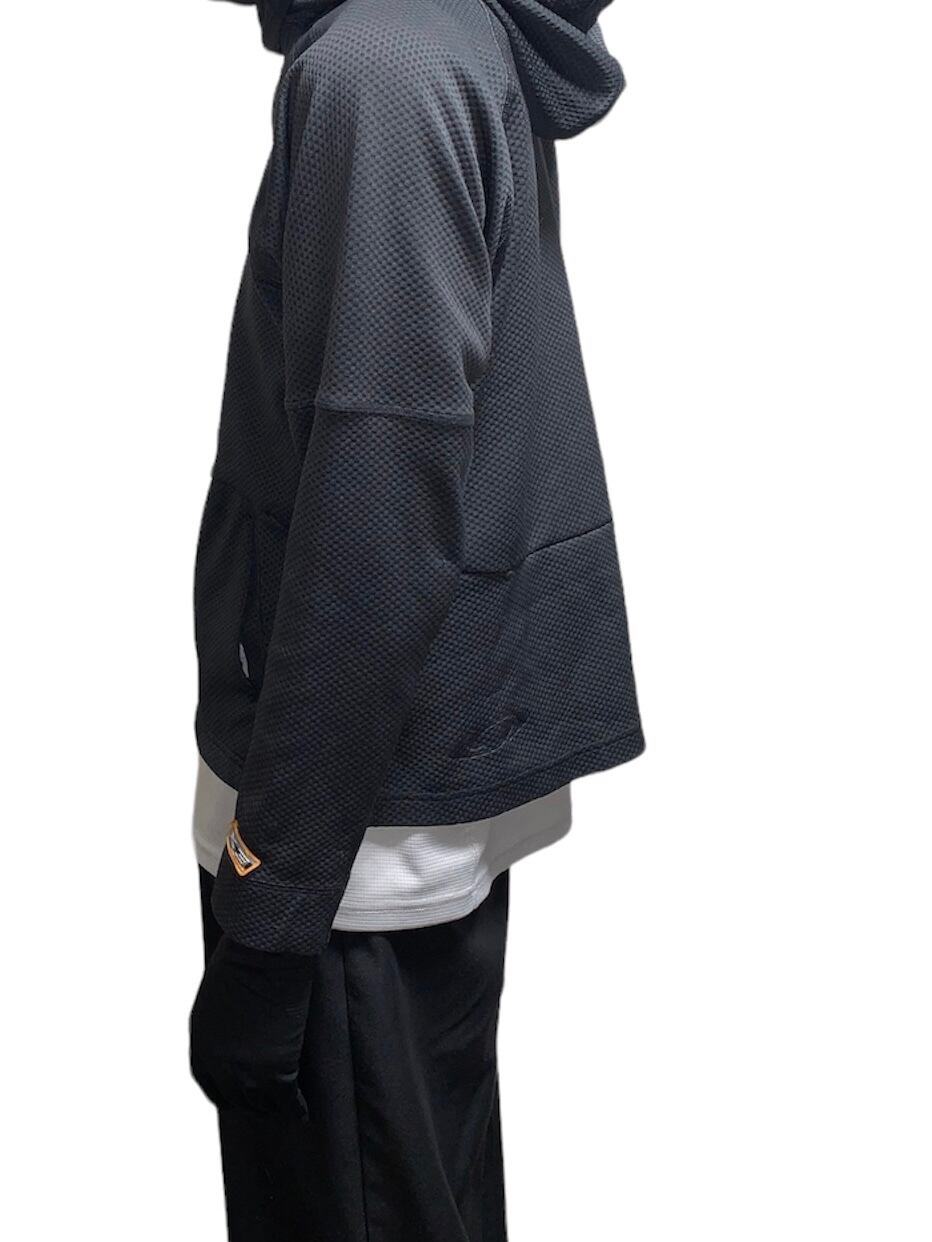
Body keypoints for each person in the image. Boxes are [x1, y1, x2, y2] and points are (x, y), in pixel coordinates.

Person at [189, 0, 644, 1238]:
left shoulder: (380, 72)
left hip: (342, 838)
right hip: (385, 806)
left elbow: (375, 515)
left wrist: (271, 910)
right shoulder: (434, 35)